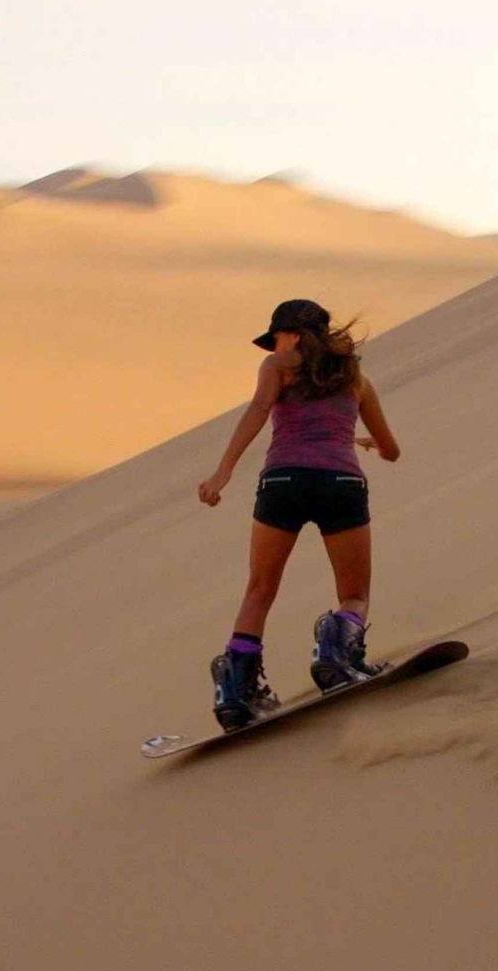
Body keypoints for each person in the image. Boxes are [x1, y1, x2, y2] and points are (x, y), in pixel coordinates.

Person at [197, 299, 401, 731]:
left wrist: (223, 472)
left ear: (291, 334)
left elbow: (257, 410)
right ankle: (335, 654)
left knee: (259, 590)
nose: (274, 348)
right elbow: (393, 451)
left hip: (283, 483)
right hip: (340, 486)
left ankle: (236, 692)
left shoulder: (277, 367)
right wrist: (365, 443)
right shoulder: (356, 379)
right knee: (354, 594)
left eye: (276, 339)